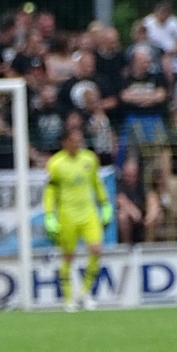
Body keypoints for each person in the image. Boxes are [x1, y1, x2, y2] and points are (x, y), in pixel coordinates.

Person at [43, 128, 112, 312]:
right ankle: (68, 299)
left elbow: (96, 183)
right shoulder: (56, 163)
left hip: (89, 213)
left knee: (96, 250)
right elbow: (50, 191)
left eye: (80, 139)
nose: (78, 143)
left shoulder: (89, 159)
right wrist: (49, 214)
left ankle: (84, 292)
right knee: (68, 257)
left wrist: (105, 204)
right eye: (74, 140)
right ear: (65, 142)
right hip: (67, 215)